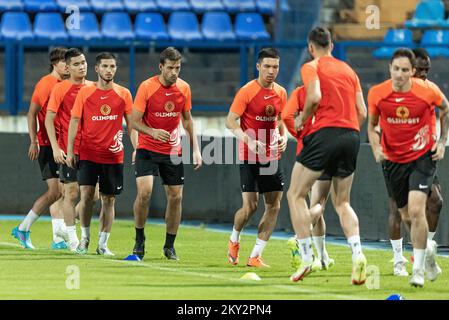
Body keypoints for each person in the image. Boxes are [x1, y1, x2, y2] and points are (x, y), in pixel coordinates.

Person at [286, 27, 367, 284]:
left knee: (295, 194)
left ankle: (307, 257)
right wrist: (348, 130)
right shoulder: (349, 71)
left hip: (325, 133)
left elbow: (314, 97)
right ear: (331, 45)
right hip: (351, 135)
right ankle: (357, 254)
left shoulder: (312, 67)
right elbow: (362, 111)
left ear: (311, 48)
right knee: (342, 202)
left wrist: (301, 119)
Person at [367, 48, 449, 287]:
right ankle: (429, 250)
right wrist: (375, 148)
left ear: (412, 72)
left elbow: (445, 108)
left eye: (405, 70)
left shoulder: (427, 90)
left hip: (422, 157)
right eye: (396, 69)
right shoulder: (377, 93)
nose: (400, 74)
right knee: (405, 215)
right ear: (389, 69)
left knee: (416, 209)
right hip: (393, 160)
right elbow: (371, 126)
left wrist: (441, 142)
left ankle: (418, 270)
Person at [131, 47, 202, 261]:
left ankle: (169, 246)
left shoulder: (184, 89)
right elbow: (133, 121)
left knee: (176, 197)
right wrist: (152, 132)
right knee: (144, 193)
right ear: (161, 67)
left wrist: (196, 149)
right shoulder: (147, 87)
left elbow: (187, 120)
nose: (174, 72)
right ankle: (139, 239)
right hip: (147, 148)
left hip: (173, 151)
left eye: (178, 68)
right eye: (170, 68)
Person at [225, 48, 288, 268]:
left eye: (275, 67)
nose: (271, 71)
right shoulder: (247, 91)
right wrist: (248, 140)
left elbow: (281, 120)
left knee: (274, 205)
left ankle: (255, 256)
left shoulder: (281, 92)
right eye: (267, 66)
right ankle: (234, 239)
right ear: (258, 66)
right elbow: (230, 121)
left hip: (271, 155)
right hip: (249, 155)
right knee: (250, 207)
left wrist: (284, 136)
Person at [66, 52, 133, 256]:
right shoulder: (85, 93)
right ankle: (84, 239)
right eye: (105, 66)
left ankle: (103, 244)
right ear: (96, 69)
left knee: (109, 199)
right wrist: (70, 151)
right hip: (87, 153)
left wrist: (137, 147)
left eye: (112, 66)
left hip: (113, 156)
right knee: (86, 196)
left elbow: (132, 124)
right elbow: (75, 122)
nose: (109, 70)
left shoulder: (124, 94)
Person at [12, 47, 69, 249]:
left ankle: (57, 239)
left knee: (60, 191)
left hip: (60, 144)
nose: (68, 66)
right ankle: (23, 229)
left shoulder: (66, 84)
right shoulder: (46, 84)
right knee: (55, 192)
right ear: (55, 63)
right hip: (46, 144)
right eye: (65, 62)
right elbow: (31, 113)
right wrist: (34, 141)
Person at [45, 48, 93, 251]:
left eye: (83, 62)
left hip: (92, 150)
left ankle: (70, 228)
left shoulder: (93, 87)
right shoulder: (60, 88)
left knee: (94, 195)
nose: (82, 66)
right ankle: (74, 240)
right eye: (76, 64)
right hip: (69, 149)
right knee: (71, 192)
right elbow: (49, 119)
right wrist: (56, 148)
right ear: (67, 67)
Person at [282, 85, 335, 271]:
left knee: (311, 203)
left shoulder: (300, 92)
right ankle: (299, 237)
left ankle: (322, 257)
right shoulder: (331, 91)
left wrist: (300, 135)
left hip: (304, 153)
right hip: (324, 150)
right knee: (319, 204)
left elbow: (287, 115)